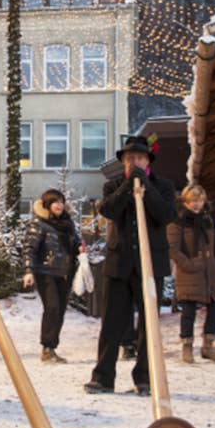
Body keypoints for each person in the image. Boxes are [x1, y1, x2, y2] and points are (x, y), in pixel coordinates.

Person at [85, 135, 176, 394]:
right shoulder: (113, 186)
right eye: (128, 159)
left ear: (148, 161)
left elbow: (167, 215)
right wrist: (128, 186)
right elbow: (109, 210)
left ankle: (145, 378)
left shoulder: (164, 186)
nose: (133, 162)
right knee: (112, 323)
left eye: (138, 158)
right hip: (119, 264)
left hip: (150, 265)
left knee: (149, 325)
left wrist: (145, 185)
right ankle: (103, 377)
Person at [168, 184, 215, 364]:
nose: (196, 204)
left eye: (199, 200)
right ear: (185, 201)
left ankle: (208, 346)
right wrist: (189, 264)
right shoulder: (177, 220)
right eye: (192, 201)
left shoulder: (209, 218)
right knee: (188, 311)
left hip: (210, 271)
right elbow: (172, 248)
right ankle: (187, 347)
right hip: (190, 272)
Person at [22, 189, 83, 364]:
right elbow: (29, 248)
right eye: (55, 202)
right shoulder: (39, 223)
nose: (59, 205)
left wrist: (80, 247)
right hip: (45, 271)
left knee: (61, 310)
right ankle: (47, 348)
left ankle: (52, 348)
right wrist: (28, 271)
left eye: (61, 202)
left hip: (64, 273)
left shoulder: (67, 224)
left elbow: (75, 241)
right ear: (47, 205)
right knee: (53, 307)